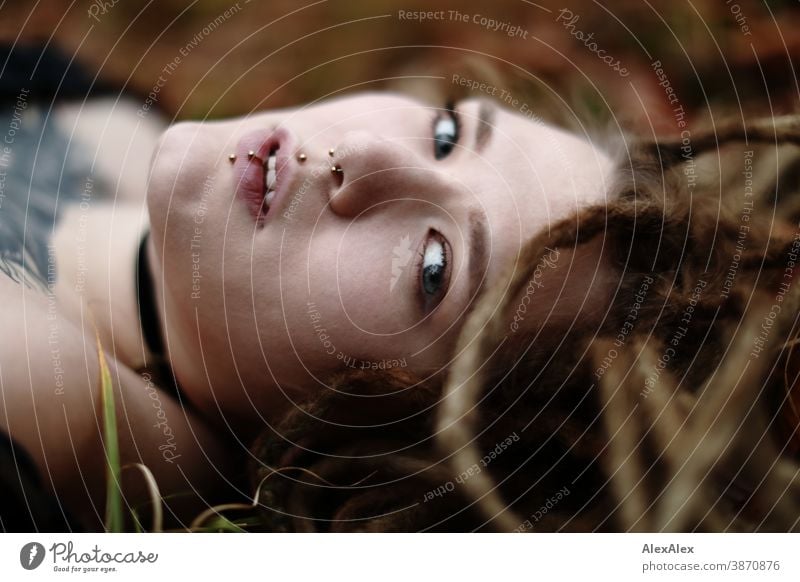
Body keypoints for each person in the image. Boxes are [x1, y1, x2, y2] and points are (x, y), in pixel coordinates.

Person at [1, 45, 798, 532]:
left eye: (432, 270)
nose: (367, 156)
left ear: (369, 451)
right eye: (450, 135)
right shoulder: (103, 113)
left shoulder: (48, 398)